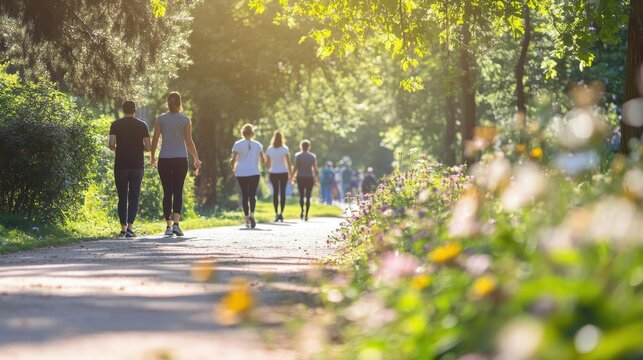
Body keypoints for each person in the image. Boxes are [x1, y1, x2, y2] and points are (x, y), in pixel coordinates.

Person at [150, 92, 201, 237]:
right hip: (180, 159)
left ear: (168, 103)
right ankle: (177, 225)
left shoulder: (160, 119)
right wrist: (196, 158)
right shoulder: (185, 119)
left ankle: (168, 226)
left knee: (167, 192)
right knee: (178, 190)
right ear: (180, 103)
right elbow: (189, 141)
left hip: (164, 159)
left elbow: (155, 139)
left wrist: (153, 156)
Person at [108, 100, 151, 238]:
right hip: (137, 165)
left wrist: (118, 150)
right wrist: (140, 149)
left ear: (123, 110)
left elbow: (111, 144)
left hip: (121, 165)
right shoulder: (142, 125)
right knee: (134, 196)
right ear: (135, 110)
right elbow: (148, 147)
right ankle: (130, 229)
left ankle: (123, 229)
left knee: (122, 196)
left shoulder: (115, 125)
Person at [230, 123, 264, 228]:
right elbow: (263, 159)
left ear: (243, 132)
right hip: (254, 172)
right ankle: (252, 214)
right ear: (252, 133)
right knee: (252, 194)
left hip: (241, 173)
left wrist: (233, 168)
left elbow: (233, 159)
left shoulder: (237, 144)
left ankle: (246, 218)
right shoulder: (258, 145)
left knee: (245, 195)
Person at [265, 130, 292, 222]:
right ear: (282, 138)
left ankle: (276, 213)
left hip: (273, 172)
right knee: (283, 193)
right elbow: (288, 163)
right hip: (283, 172)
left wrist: (268, 170)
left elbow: (267, 164)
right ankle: (282, 213)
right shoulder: (285, 149)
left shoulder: (270, 149)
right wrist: (291, 174)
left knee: (275, 193)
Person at [291, 140, 318, 221]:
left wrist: (292, 176)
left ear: (301, 146)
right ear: (308, 147)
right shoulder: (312, 156)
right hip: (309, 177)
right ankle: (306, 214)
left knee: (301, 196)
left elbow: (295, 167)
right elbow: (315, 169)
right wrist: (316, 179)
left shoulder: (298, 156)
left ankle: (302, 211)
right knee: (308, 196)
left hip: (300, 177)